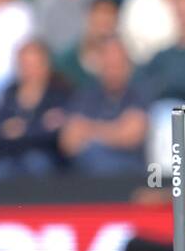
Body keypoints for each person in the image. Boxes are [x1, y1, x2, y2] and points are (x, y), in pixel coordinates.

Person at [58, 35, 149, 174]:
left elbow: (132, 136)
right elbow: (68, 142)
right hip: (86, 178)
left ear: (128, 67)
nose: (113, 72)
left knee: (95, 154)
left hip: (127, 174)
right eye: (108, 65)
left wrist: (89, 130)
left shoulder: (138, 94)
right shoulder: (85, 96)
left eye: (118, 65)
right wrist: (115, 130)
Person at [0, 39, 71, 180]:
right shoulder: (9, 94)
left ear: (46, 66)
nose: (28, 70)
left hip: (47, 160)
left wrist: (21, 130)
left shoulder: (59, 94)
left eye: (33, 65)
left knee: (36, 163)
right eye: (24, 65)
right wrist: (39, 126)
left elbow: (56, 135)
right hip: (10, 158)